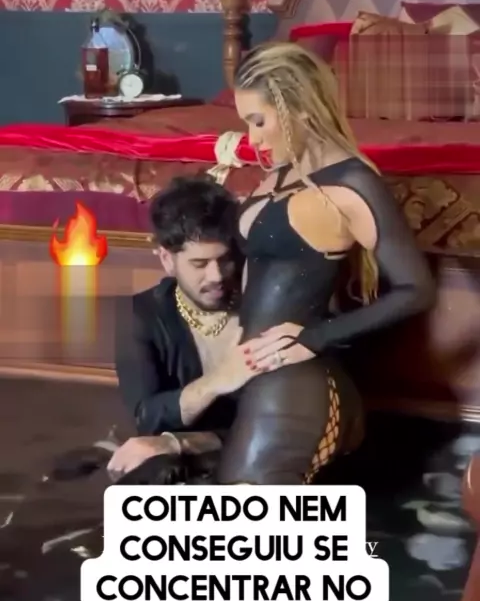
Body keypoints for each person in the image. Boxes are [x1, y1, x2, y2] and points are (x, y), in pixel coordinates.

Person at [214, 41, 436, 485]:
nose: (253, 139)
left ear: (298, 108)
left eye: (259, 121)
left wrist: (315, 337)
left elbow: (417, 290)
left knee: (241, 514)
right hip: (251, 374)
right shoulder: (281, 171)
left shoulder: (352, 182)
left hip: (297, 382)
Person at [108, 175, 257, 480]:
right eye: (199, 264)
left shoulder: (261, 307)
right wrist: (216, 382)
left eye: (225, 260)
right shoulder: (141, 314)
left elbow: (279, 424)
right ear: (167, 259)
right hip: (187, 465)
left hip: (260, 459)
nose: (217, 276)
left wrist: (181, 442)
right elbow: (148, 417)